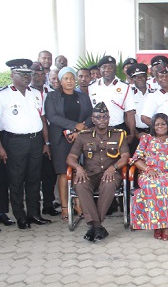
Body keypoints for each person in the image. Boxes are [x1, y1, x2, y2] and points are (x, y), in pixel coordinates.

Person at [0, 59, 52, 229]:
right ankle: (20, 216)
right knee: (16, 180)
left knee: (34, 179)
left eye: (28, 74)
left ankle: (34, 213)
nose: (26, 78)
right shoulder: (2, 94)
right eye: (22, 74)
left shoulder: (35, 93)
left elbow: (42, 119)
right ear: (12, 75)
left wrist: (46, 142)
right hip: (14, 142)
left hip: (35, 141)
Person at [66, 102, 129, 242]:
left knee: (108, 184)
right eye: (98, 117)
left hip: (111, 173)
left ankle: (94, 226)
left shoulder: (119, 134)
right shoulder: (83, 135)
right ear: (92, 119)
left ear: (109, 118)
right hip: (89, 173)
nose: (102, 120)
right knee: (80, 185)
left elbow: (125, 157)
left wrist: (114, 168)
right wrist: (79, 168)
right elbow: (71, 157)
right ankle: (98, 226)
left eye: (105, 117)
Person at [130, 113, 168, 241]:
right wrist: (148, 169)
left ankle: (164, 226)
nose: (160, 126)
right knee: (152, 185)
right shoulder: (146, 138)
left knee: (167, 186)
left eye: (163, 123)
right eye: (157, 124)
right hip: (149, 173)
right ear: (153, 126)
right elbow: (136, 159)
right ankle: (160, 224)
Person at [44, 67, 93, 221]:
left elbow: (91, 116)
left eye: (72, 78)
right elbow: (52, 117)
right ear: (60, 80)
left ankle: (78, 203)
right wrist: (74, 126)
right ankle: (65, 207)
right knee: (64, 173)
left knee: (80, 171)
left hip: (80, 138)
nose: (69, 81)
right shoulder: (52, 97)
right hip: (60, 140)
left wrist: (79, 131)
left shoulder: (83, 97)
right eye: (66, 78)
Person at [29, 62, 59, 217]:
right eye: (36, 75)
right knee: (34, 173)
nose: (39, 78)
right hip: (33, 134)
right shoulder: (26, 92)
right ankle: (33, 207)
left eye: (42, 75)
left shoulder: (51, 91)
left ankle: (48, 204)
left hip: (51, 134)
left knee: (49, 171)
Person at [88, 56, 137, 144]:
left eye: (110, 67)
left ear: (115, 69)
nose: (107, 69)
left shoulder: (125, 87)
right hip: (97, 129)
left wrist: (132, 133)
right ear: (100, 69)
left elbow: (129, 112)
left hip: (117, 128)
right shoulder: (92, 86)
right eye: (104, 67)